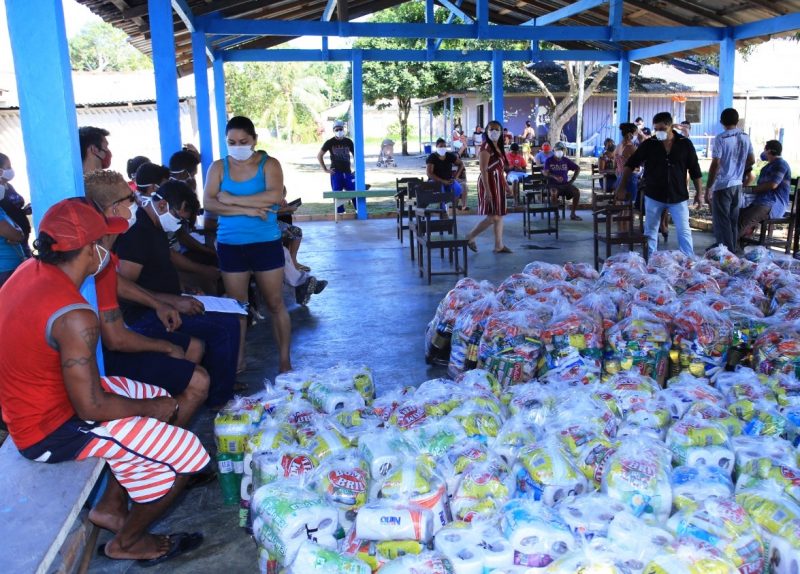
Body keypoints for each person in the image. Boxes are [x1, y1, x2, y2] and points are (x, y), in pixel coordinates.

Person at [0, 198, 209, 564]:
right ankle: (127, 542)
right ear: (90, 249)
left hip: (39, 405)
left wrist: (154, 405)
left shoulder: (28, 271)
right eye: (106, 242)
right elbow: (91, 407)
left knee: (155, 395)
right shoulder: (75, 315)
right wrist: (155, 409)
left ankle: (113, 505)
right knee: (189, 453)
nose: (111, 250)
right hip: (50, 432)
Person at [84, 170, 210, 427]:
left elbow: (117, 282)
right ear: (113, 208)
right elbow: (116, 339)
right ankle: (168, 452)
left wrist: (159, 304)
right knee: (198, 378)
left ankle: (166, 435)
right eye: (130, 198)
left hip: (107, 345)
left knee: (191, 353)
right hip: (99, 360)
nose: (138, 202)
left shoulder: (103, 252)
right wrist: (165, 347)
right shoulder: (93, 256)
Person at [115, 180, 242, 406]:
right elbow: (124, 288)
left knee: (227, 319)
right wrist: (172, 300)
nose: (179, 225)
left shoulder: (154, 226)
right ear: (163, 205)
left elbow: (160, 265)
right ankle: (220, 400)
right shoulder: (138, 233)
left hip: (167, 304)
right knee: (225, 328)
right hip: (145, 315)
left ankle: (219, 386)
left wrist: (183, 286)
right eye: (180, 218)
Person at [203, 116, 292, 373]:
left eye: (243, 141)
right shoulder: (218, 168)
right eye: (231, 142)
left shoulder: (269, 164)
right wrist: (253, 209)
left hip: (265, 243)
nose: (237, 146)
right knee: (237, 307)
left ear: (254, 140)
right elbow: (209, 203)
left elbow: (275, 197)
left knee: (275, 303)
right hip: (231, 245)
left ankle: (285, 361)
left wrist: (230, 199)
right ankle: (238, 359)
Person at [615, 111, 703, 257]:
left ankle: (689, 259)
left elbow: (695, 170)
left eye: (662, 129)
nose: (659, 132)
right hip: (654, 195)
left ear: (671, 127)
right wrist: (622, 186)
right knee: (651, 230)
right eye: (656, 129)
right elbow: (630, 164)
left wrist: (699, 194)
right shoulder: (650, 144)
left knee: (684, 230)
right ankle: (651, 260)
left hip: (678, 196)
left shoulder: (684, 144)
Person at [704, 108, 755, 252]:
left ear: (721, 122)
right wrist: (738, 169)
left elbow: (715, 164)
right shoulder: (745, 136)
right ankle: (732, 248)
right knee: (733, 220)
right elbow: (751, 160)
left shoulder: (721, 138)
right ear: (737, 121)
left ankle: (727, 253)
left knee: (722, 221)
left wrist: (709, 186)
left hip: (723, 184)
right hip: (737, 184)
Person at [465, 120, 512, 254]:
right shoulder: (486, 147)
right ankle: (470, 236)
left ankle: (499, 246)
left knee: (499, 215)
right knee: (493, 217)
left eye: (497, 129)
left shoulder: (499, 147)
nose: (494, 132)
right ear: (486, 131)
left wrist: (505, 185)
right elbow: (483, 169)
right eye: (491, 129)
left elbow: (500, 168)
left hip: (498, 182)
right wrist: (487, 190)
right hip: (489, 182)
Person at [738, 140, 792, 241]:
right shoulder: (767, 167)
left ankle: (727, 246)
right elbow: (761, 186)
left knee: (745, 221)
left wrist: (749, 189)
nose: (763, 152)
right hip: (761, 201)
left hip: (773, 204)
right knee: (738, 214)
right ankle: (736, 244)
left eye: (765, 149)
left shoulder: (781, 165)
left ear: (770, 151)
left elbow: (772, 185)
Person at [318, 120, 356, 214]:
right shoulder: (330, 142)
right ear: (334, 130)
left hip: (348, 172)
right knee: (337, 193)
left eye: (341, 129)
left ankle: (358, 210)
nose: (339, 131)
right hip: (336, 173)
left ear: (344, 129)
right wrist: (325, 169)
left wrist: (357, 169)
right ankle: (340, 213)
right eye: (337, 129)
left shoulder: (349, 142)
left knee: (354, 191)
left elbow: (356, 155)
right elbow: (319, 155)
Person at [0, 152, 32, 256]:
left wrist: (24, 210)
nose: (11, 170)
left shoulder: (9, 186)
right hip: (12, 241)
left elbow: (12, 208)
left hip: (22, 236)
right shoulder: (0, 191)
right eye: (8, 167)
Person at [544, 142, 582, 221]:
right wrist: (554, 177)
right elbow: (546, 173)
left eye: (562, 149)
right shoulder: (549, 160)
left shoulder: (566, 160)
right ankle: (556, 213)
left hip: (565, 185)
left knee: (576, 192)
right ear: (554, 150)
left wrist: (572, 180)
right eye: (558, 149)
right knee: (553, 193)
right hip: (553, 185)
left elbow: (577, 168)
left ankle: (573, 214)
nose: (560, 151)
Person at [426, 138, 465, 211]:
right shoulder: (432, 157)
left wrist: (455, 177)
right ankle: (443, 211)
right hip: (435, 181)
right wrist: (442, 181)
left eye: (444, 146)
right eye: (441, 146)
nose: (443, 148)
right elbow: (429, 173)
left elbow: (461, 164)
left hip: (449, 181)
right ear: (436, 146)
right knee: (441, 190)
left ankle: (452, 208)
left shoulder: (449, 155)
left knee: (458, 189)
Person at [614, 123, 640, 207]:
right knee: (629, 206)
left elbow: (615, 165)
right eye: (636, 133)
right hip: (630, 178)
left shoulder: (618, 146)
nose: (637, 135)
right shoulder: (631, 147)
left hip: (619, 177)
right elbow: (639, 164)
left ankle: (620, 220)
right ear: (630, 134)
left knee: (622, 206)